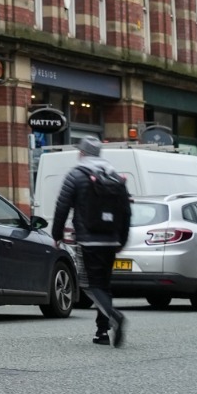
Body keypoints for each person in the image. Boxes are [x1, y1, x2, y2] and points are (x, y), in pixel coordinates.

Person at [51, 135, 129, 347]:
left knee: (90, 285)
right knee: (104, 284)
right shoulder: (114, 175)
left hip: (88, 240)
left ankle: (114, 316)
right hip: (111, 240)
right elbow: (126, 210)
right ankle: (102, 332)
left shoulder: (76, 175)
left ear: (82, 153)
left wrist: (56, 235)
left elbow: (62, 206)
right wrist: (122, 239)